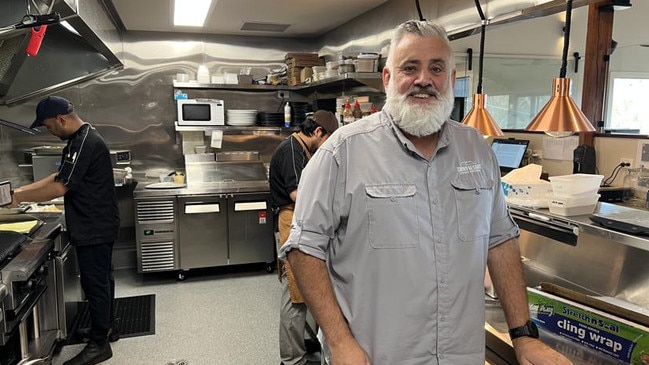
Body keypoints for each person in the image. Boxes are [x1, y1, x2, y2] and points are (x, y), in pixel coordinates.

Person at [279, 21, 573, 365]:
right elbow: (303, 248)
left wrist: (523, 336)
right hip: (376, 356)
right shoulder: (342, 152)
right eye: (410, 67)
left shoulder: (477, 150)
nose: (424, 79)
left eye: (437, 68)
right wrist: (340, 340)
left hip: (460, 356)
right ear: (388, 78)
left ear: (450, 81)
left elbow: (500, 240)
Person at [10, 96, 120, 365]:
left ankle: (99, 345)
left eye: (49, 126)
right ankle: (105, 328)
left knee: (96, 284)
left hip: (94, 224)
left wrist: (21, 198)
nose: (50, 131)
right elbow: (61, 177)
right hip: (97, 222)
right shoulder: (79, 139)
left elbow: (60, 188)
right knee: (102, 280)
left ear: (61, 119)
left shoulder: (84, 142)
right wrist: (21, 192)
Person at [269, 110, 339, 365]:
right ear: (318, 132)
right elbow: (297, 195)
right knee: (295, 293)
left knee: (309, 288)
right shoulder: (291, 151)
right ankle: (292, 359)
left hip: (301, 219)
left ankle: (304, 342)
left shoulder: (301, 148)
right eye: (328, 139)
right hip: (291, 219)